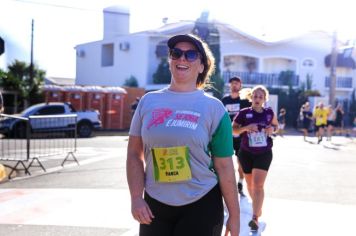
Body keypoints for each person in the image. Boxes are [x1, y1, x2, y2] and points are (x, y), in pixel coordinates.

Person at [126, 34, 240, 236]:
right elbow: (134, 154)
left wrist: (235, 214)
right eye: (176, 53)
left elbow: (224, 165)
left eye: (191, 55)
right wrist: (136, 197)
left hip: (202, 202)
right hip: (155, 204)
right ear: (170, 60)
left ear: (202, 66)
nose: (182, 59)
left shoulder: (214, 108)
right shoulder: (148, 102)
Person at [232, 85, 278, 232]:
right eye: (255, 96)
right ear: (251, 98)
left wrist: (272, 129)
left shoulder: (269, 113)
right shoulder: (244, 113)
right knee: (251, 185)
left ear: (265, 99)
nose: (257, 99)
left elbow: (276, 126)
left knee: (258, 185)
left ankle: (255, 218)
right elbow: (233, 129)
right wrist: (246, 128)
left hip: (264, 153)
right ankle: (257, 208)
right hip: (246, 153)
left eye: (260, 97)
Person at [221, 76, 251, 197]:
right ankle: (226, 186)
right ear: (230, 85)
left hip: (241, 136)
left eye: (237, 83)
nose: (234, 85)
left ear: (240, 86)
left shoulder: (244, 101)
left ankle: (240, 184)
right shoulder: (224, 100)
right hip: (227, 136)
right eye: (232, 83)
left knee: (241, 164)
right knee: (225, 163)